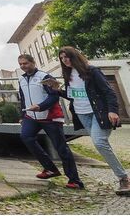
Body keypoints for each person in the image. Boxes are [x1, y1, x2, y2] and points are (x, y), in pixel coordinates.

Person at [49, 46, 129, 195]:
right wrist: (58, 90)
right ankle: (123, 176)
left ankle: (123, 178)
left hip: (98, 113)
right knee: (102, 144)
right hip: (82, 114)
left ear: (74, 56)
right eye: (61, 58)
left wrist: (112, 110)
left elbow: (108, 91)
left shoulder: (91, 71)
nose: (64, 60)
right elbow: (74, 96)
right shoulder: (68, 75)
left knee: (99, 142)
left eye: (66, 57)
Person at [16, 53, 83, 189]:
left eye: (25, 63)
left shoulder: (45, 77)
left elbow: (54, 96)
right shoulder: (21, 80)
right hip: (31, 116)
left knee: (60, 147)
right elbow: (22, 99)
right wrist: (23, 116)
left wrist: (40, 107)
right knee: (26, 137)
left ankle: (74, 180)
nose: (23, 66)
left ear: (33, 62)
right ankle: (50, 168)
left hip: (50, 116)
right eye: (21, 64)